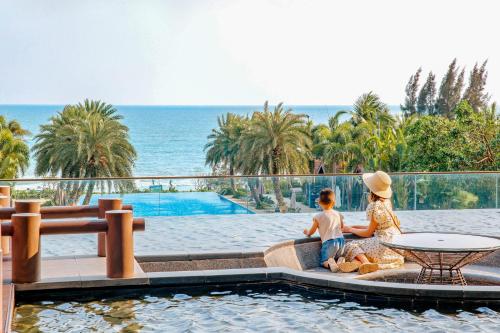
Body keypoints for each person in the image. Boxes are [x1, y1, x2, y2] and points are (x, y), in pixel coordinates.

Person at [340, 171, 404, 275]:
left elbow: (368, 232)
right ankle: (358, 264)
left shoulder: (374, 206)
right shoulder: (387, 202)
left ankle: (365, 262)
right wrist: (353, 226)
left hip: (383, 245)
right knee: (366, 248)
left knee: (351, 245)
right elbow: (377, 226)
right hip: (397, 248)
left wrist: (350, 229)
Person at [303, 188, 345, 272]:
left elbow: (312, 231)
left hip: (329, 242)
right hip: (341, 241)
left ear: (319, 202)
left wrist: (307, 232)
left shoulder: (318, 216)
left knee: (324, 261)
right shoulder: (338, 214)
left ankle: (330, 264)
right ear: (334, 202)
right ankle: (341, 261)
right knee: (337, 257)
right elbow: (342, 226)